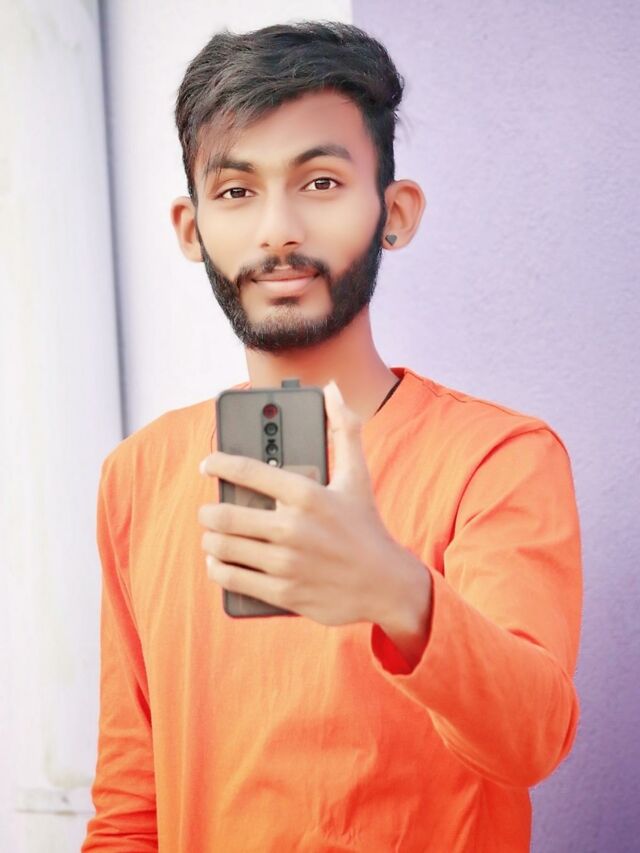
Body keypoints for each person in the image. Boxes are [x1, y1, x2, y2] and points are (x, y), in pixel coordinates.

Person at [82, 22, 582, 853]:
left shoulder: (500, 459)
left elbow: (531, 740)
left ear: (395, 213)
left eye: (319, 182)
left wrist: (397, 590)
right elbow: (131, 804)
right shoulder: (137, 475)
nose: (277, 230)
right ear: (190, 228)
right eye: (236, 191)